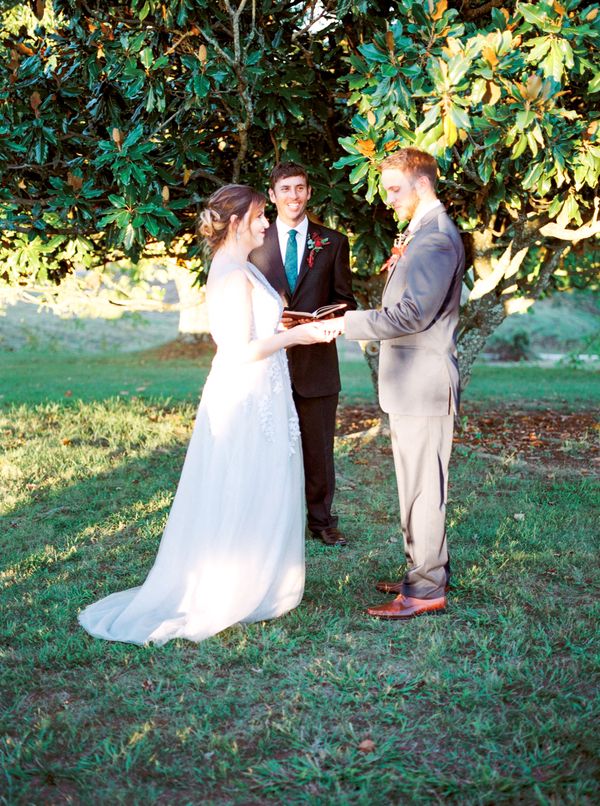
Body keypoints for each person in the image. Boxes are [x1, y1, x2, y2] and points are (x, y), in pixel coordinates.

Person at [78, 184, 338, 645]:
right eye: (260, 215)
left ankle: (265, 579)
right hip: (246, 391)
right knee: (241, 481)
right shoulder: (232, 273)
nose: (265, 222)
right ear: (236, 221)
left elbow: (256, 327)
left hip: (266, 389)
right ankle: (235, 587)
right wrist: (299, 337)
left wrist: (289, 325)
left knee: (265, 479)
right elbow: (238, 350)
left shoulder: (241, 266)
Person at [334, 147, 465, 619]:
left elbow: (412, 314)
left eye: (394, 189)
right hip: (411, 384)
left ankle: (426, 589)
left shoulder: (435, 239)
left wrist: (344, 324)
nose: (388, 199)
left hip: (423, 385)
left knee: (423, 490)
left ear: (422, 184)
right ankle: (423, 570)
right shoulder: (423, 231)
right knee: (415, 485)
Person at [250, 162, 356, 547]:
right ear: (273, 195)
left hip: (317, 361)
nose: (293, 196)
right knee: (267, 444)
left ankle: (322, 521)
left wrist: (322, 319)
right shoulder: (253, 243)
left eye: (300, 188)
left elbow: (345, 299)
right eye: (285, 189)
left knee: (318, 446)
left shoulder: (333, 242)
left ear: (310, 192)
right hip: (269, 361)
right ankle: (270, 519)